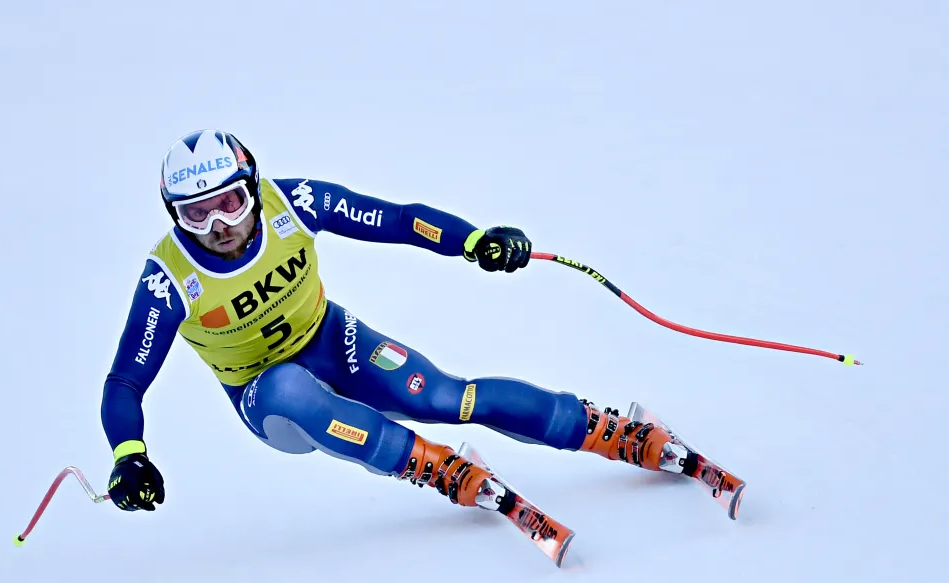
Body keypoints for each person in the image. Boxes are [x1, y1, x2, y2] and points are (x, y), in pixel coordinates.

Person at [100, 129, 688, 513]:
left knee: (446, 396)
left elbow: (399, 220)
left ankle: (602, 430)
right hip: (269, 400)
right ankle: (428, 465)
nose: (218, 227)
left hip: (332, 341)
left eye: (229, 203)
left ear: (253, 188)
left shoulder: (296, 203)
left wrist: (474, 241)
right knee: (288, 385)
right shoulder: (169, 278)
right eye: (195, 214)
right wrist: (129, 452)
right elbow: (125, 382)